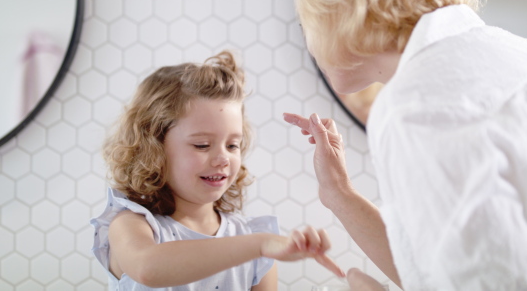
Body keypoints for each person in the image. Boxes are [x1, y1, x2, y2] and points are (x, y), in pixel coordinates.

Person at [284, 0, 527, 290]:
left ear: (339, 11)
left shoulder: (418, 105)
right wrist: (338, 192)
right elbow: (438, 267)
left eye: (307, 20)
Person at [91, 50, 345, 291]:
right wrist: (261, 245)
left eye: (233, 145)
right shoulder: (131, 224)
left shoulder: (253, 239)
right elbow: (148, 268)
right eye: (202, 145)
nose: (223, 158)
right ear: (153, 148)